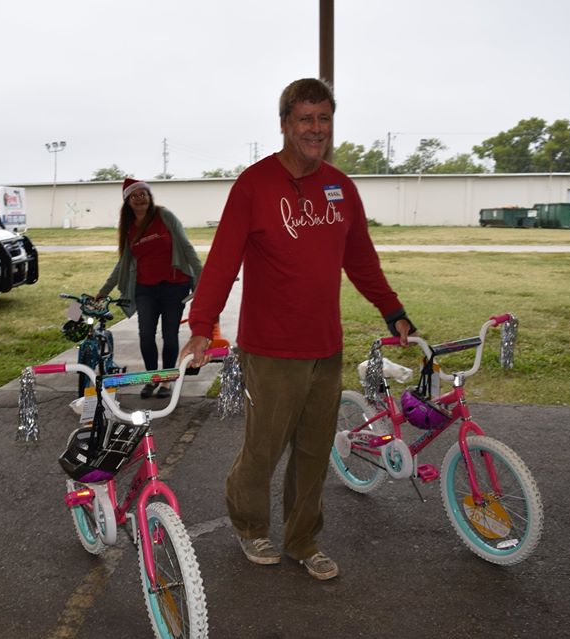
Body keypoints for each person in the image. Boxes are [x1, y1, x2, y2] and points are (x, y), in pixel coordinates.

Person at [179, 79, 416, 580]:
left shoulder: (340, 187)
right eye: (305, 119)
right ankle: (249, 526)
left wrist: (391, 310)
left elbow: (362, 261)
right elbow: (222, 262)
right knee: (263, 449)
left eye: (323, 119)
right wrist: (203, 324)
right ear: (285, 123)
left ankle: (303, 539)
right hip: (270, 349)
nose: (315, 129)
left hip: (324, 346)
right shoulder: (255, 184)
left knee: (313, 453)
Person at [97, 178, 202, 398]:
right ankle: (151, 377)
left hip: (175, 286)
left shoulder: (165, 216)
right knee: (145, 335)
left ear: (149, 196)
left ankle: (165, 382)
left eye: (143, 193)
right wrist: (104, 290)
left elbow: (187, 247)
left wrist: (201, 278)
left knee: (169, 334)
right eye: (134, 195)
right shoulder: (129, 228)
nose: (139, 198)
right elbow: (123, 263)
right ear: (127, 201)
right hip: (145, 289)